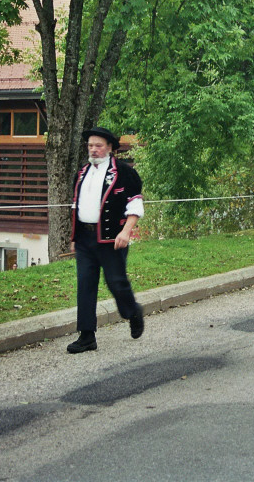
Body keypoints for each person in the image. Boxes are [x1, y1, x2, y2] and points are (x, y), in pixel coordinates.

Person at [67, 126, 145, 354]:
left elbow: (135, 205)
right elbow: (77, 205)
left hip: (112, 239)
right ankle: (87, 336)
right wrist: (75, 236)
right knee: (85, 285)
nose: (93, 149)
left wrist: (126, 232)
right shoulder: (81, 173)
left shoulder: (124, 172)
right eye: (90, 145)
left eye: (98, 145)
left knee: (116, 283)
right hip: (85, 240)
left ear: (109, 147)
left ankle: (132, 312)